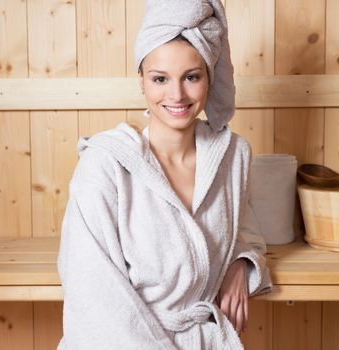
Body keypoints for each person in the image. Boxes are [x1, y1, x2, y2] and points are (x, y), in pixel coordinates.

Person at [57, 0, 271, 349]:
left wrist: (240, 263)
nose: (177, 95)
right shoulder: (105, 166)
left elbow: (244, 232)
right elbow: (92, 295)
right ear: (141, 80)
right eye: (160, 78)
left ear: (209, 78)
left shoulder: (233, 157)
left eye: (191, 77)